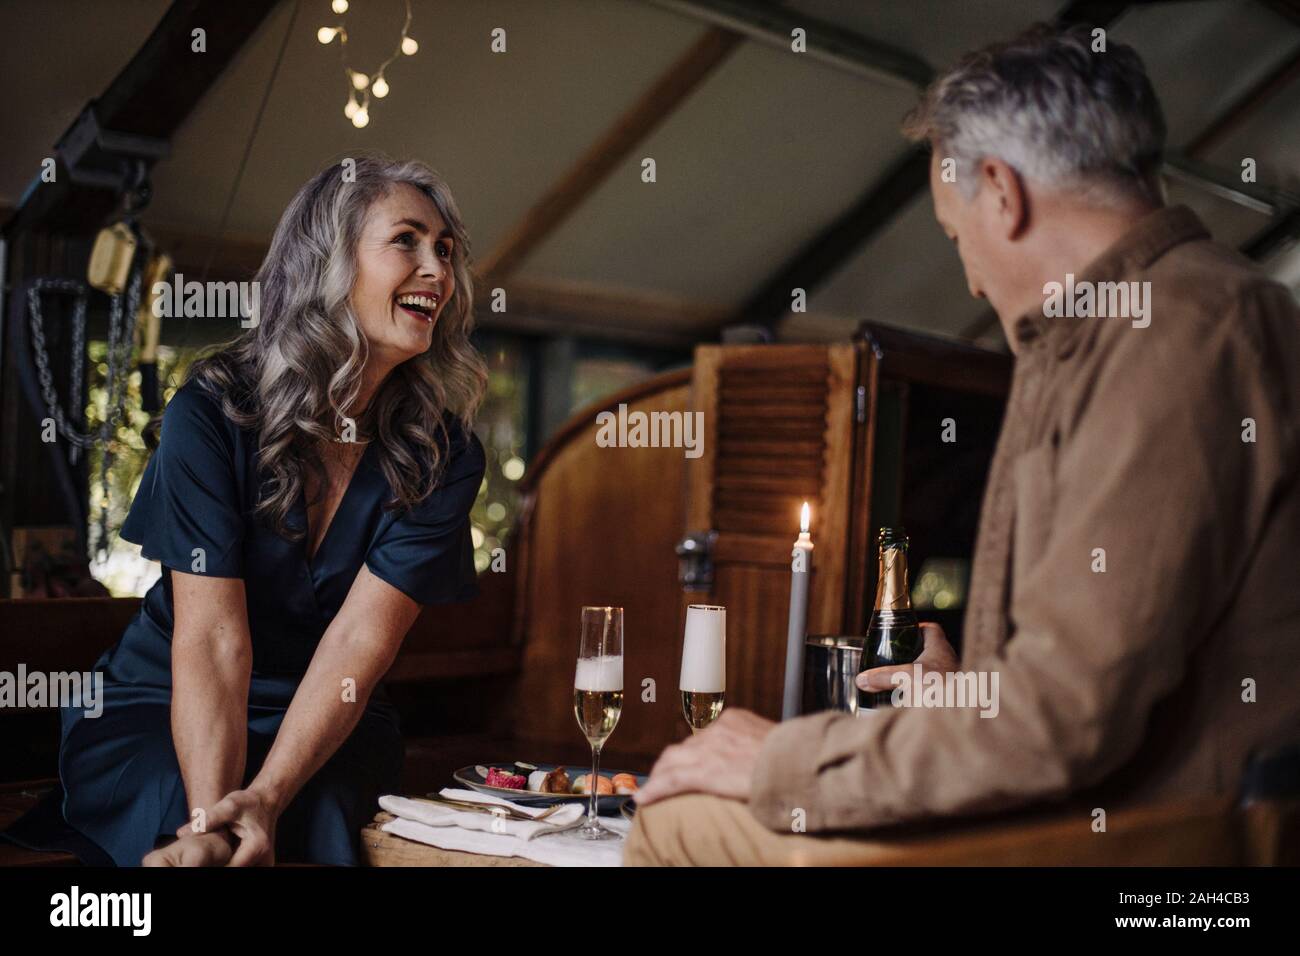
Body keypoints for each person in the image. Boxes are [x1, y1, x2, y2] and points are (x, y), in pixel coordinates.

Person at [626, 24, 1300, 865]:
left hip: (1162, 841)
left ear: (1000, 190)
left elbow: (1064, 721)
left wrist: (783, 758)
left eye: (955, 237)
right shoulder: (1153, 319)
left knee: (674, 820)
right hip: (1117, 804)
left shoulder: (1170, 333)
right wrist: (967, 690)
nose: (973, 279)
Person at [5, 155, 487, 866]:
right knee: (184, 818)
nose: (438, 271)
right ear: (331, 261)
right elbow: (212, 644)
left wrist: (265, 796)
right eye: (407, 241)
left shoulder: (445, 453)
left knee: (315, 812)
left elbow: (359, 646)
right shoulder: (211, 413)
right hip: (163, 697)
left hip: (327, 713)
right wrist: (209, 819)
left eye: (444, 251)